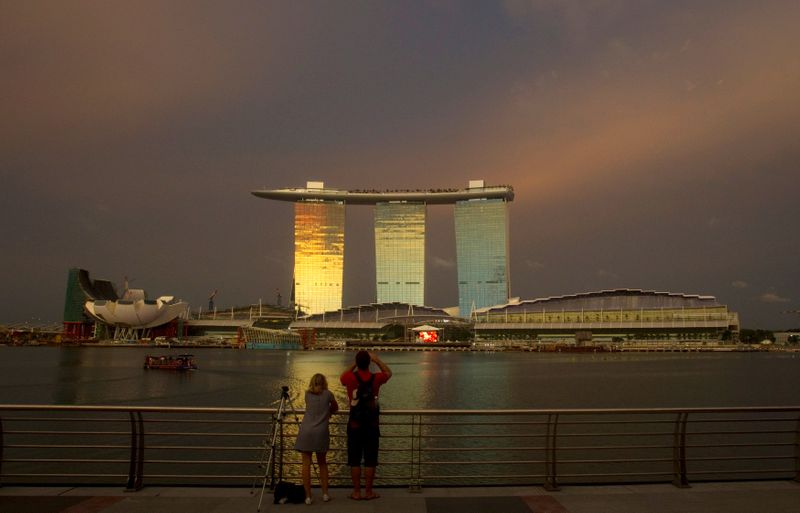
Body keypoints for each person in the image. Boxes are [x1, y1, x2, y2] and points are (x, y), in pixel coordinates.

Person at [340, 350, 392, 500]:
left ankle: (356, 492)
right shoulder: (376, 378)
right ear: (369, 363)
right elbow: (389, 372)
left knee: (355, 460)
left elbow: (342, 377)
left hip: (355, 425)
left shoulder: (350, 377)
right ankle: (369, 492)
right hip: (372, 425)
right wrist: (377, 360)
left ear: (357, 363)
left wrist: (353, 365)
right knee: (370, 460)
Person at [294, 373, 338, 505]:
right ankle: (325, 494)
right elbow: (335, 407)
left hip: (306, 431)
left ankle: (308, 496)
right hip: (321, 432)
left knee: (306, 464)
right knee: (322, 463)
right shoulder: (328, 394)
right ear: (324, 382)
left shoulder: (307, 394)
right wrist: (328, 413)